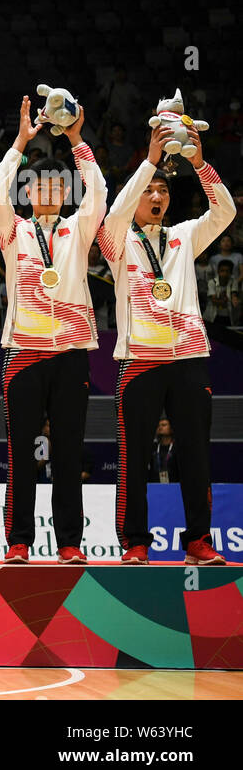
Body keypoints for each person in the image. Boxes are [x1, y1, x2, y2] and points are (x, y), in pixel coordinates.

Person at [99, 123, 234, 565]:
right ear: (136, 193)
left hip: (190, 358)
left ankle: (199, 540)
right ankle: (135, 541)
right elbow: (115, 211)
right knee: (134, 456)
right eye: (148, 191)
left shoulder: (183, 237)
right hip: (139, 360)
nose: (156, 197)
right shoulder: (116, 241)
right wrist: (150, 161)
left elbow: (226, 212)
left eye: (162, 191)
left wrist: (198, 163)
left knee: (194, 454)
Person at [0, 97, 106, 564]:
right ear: (29, 191)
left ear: (66, 190)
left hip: (73, 352)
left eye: (59, 184)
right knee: (21, 453)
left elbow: (98, 193)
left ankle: (71, 544)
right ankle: (18, 541)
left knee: (68, 452)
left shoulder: (78, 230)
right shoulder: (12, 230)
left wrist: (75, 139)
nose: (50, 190)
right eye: (40, 184)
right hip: (23, 354)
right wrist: (20, 143)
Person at [206, 259, 241, 324]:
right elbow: (213, 300)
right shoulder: (212, 282)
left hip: (228, 316)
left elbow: (234, 295)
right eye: (222, 271)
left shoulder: (233, 282)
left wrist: (234, 300)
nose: (224, 273)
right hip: (214, 316)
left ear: (231, 273)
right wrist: (223, 301)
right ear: (218, 271)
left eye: (227, 271)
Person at [148, 418, 179, 484]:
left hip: (174, 485)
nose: (160, 427)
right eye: (158, 425)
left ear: (171, 428)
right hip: (154, 485)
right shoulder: (153, 447)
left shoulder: (177, 447)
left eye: (164, 425)